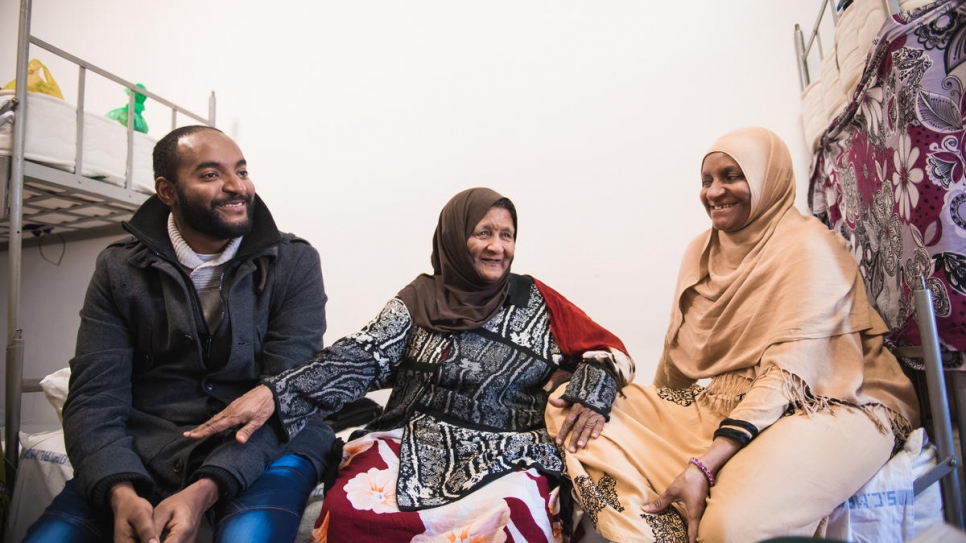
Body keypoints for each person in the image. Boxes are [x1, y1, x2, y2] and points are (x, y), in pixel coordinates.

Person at [186, 187, 635, 542]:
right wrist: (275, 393)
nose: (497, 247)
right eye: (483, 233)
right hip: (411, 437)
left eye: (507, 235)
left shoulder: (536, 297)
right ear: (455, 238)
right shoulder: (419, 299)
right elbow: (360, 355)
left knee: (513, 511)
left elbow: (608, 350)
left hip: (510, 448)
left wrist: (592, 393)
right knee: (349, 510)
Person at [545, 126, 921, 543]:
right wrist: (640, 409)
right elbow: (676, 364)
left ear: (767, 180)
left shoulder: (808, 247)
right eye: (706, 181)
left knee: (731, 529)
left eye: (731, 176)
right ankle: (655, 531)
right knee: (572, 406)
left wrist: (704, 465)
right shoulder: (702, 251)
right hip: (727, 402)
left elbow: (789, 376)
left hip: (830, 403)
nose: (714, 192)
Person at [24, 125, 335, 543]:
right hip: (149, 444)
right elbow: (95, 394)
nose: (236, 187)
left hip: (270, 441)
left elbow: (288, 393)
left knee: (249, 535)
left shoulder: (293, 262)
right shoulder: (119, 269)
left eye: (241, 171)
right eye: (210, 175)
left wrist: (205, 490)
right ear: (167, 191)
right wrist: (119, 489)